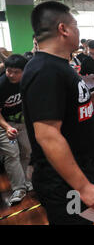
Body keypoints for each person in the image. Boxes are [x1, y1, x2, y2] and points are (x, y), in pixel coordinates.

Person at [22, 1, 94, 224]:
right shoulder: (45, 70)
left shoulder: (60, 66)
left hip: (78, 171)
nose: (78, 31)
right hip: (62, 181)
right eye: (75, 25)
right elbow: (47, 135)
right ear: (63, 29)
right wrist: (82, 186)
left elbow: (80, 106)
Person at [0, 54, 33, 206]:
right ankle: (18, 188)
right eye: (9, 71)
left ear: (24, 71)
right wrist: (7, 127)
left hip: (23, 123)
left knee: (26, 151)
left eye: (16, 71)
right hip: (4, 124)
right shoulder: (1, 85)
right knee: (12, 154)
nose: (11, 75)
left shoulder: (29, 80)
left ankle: (26, 181)